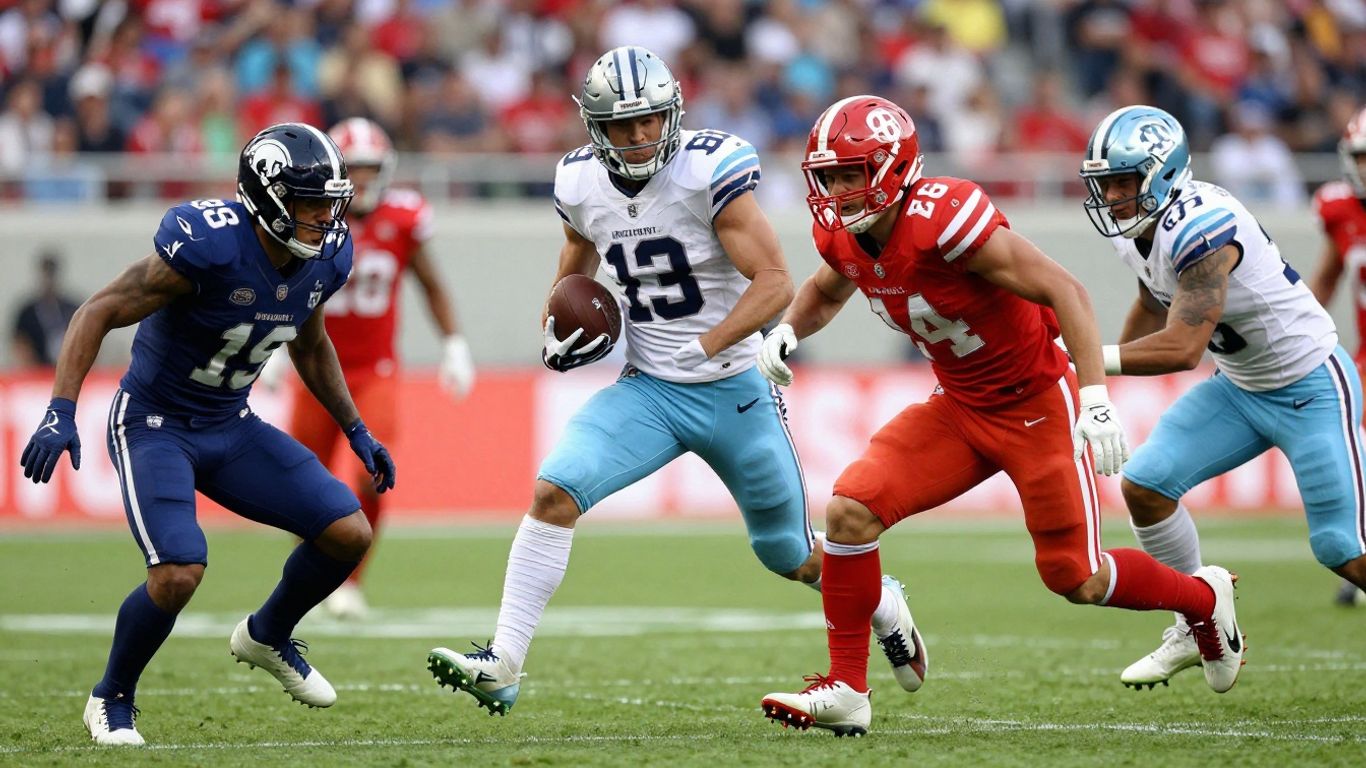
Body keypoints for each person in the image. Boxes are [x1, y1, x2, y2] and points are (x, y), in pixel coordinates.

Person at [425, 48, 923, 716]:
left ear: (674, 112)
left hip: (735, 391)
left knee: (792, 556)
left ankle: (885, 600)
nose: (638, 136)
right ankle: (503, 661)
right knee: (552, 492)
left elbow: (775, 282)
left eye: (650, 120)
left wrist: (706, 342)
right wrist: (555, 323)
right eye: (622, 125)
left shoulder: (707, 171)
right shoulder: (578, 182)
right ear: (594, 127)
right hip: (650, 391)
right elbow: (578, 261)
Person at [757, 95, 1242, 737]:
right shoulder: (843, 234)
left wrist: (1094, 398)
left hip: (1036, 403)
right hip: (960, 404)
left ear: (895, 166)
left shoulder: (943, 218)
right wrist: (788, 330)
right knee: (850, 510)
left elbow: (1064, 290)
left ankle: (1204, 599)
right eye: (830, 177)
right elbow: (827, 286)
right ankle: (847, 686)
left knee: (1077, 577)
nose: (839, 191)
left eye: (853, 173)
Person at [17, 123, 396, 746]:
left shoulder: (327, 255)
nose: (325, 218)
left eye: (330, 203)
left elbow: (312, 341)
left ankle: (267, 634)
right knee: (178, 571)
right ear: (268, 199)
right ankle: (110, 697)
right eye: (309, 203)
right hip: (154, 423)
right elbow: (98, 310)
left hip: (231, 423)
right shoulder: (207, 245)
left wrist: (355, 428)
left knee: (348, 531)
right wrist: (61, 408)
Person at [1077, 105, 1366, 690]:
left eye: (1122, 183)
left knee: (1342, 549)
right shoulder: (1143, 227)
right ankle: (1199, 618)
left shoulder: (1201, 223)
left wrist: (1085, 360)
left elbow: (1183, 348)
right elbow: (1155, 303)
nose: (1112, 198)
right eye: (1103, 184)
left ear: (1161, 173)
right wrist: (1094, 389)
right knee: (1147, 486)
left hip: (1310, 384)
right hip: (1241, 386)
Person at [269, 117, 475, 620]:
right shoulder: (310, 216)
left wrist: (454, 343)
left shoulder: (402, 218)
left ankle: (350, 583)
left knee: (370, 469)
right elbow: (282, 287)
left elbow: (430, 282)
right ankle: (313, 576)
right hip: (314, 368)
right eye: (354, 170)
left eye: (370, 169)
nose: (362, 181)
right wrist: (273, 348)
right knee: (299, 482)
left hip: (372, 369)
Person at [1307, 103, 1366, 607]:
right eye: (1361, 157)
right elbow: (1325, 279)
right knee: (1357, 456)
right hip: (1364, 358)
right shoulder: (1340, 210)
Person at [10, 250, 80, 368]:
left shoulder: (71, 309)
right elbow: (20, 343)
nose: (48, 280)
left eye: (51, 275)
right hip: (37, 371)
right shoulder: (27, 312)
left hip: (67, 368)